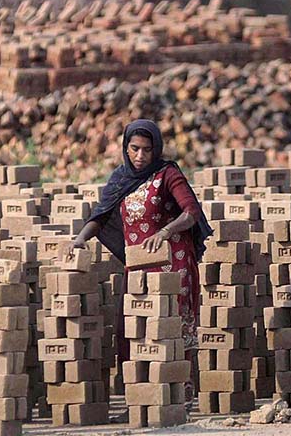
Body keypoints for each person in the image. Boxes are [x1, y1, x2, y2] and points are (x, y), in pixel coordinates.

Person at [69, 119, 213, 408]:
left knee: (170, 329)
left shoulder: (167, 174)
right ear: (125, 148)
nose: (140, 156)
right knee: (134, 328)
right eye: (134, 149)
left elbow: (191, 212)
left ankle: (178, 392)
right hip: (138, 265)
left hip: (173, 264)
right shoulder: (121, 178)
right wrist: (80, 239)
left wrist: (165, 231)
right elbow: (101, 214)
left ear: (156, 149)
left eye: (147, 150)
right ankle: (142, 395)